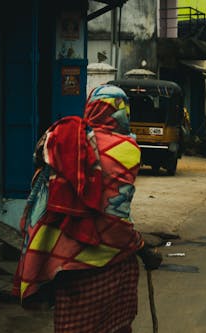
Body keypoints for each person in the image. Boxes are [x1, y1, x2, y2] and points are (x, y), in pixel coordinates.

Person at [12, 84, 162, 333]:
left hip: (63, 261)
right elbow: (115, 219)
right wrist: (141, 246)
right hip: (107, 262)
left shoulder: (60, 140)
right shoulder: (126, 149)